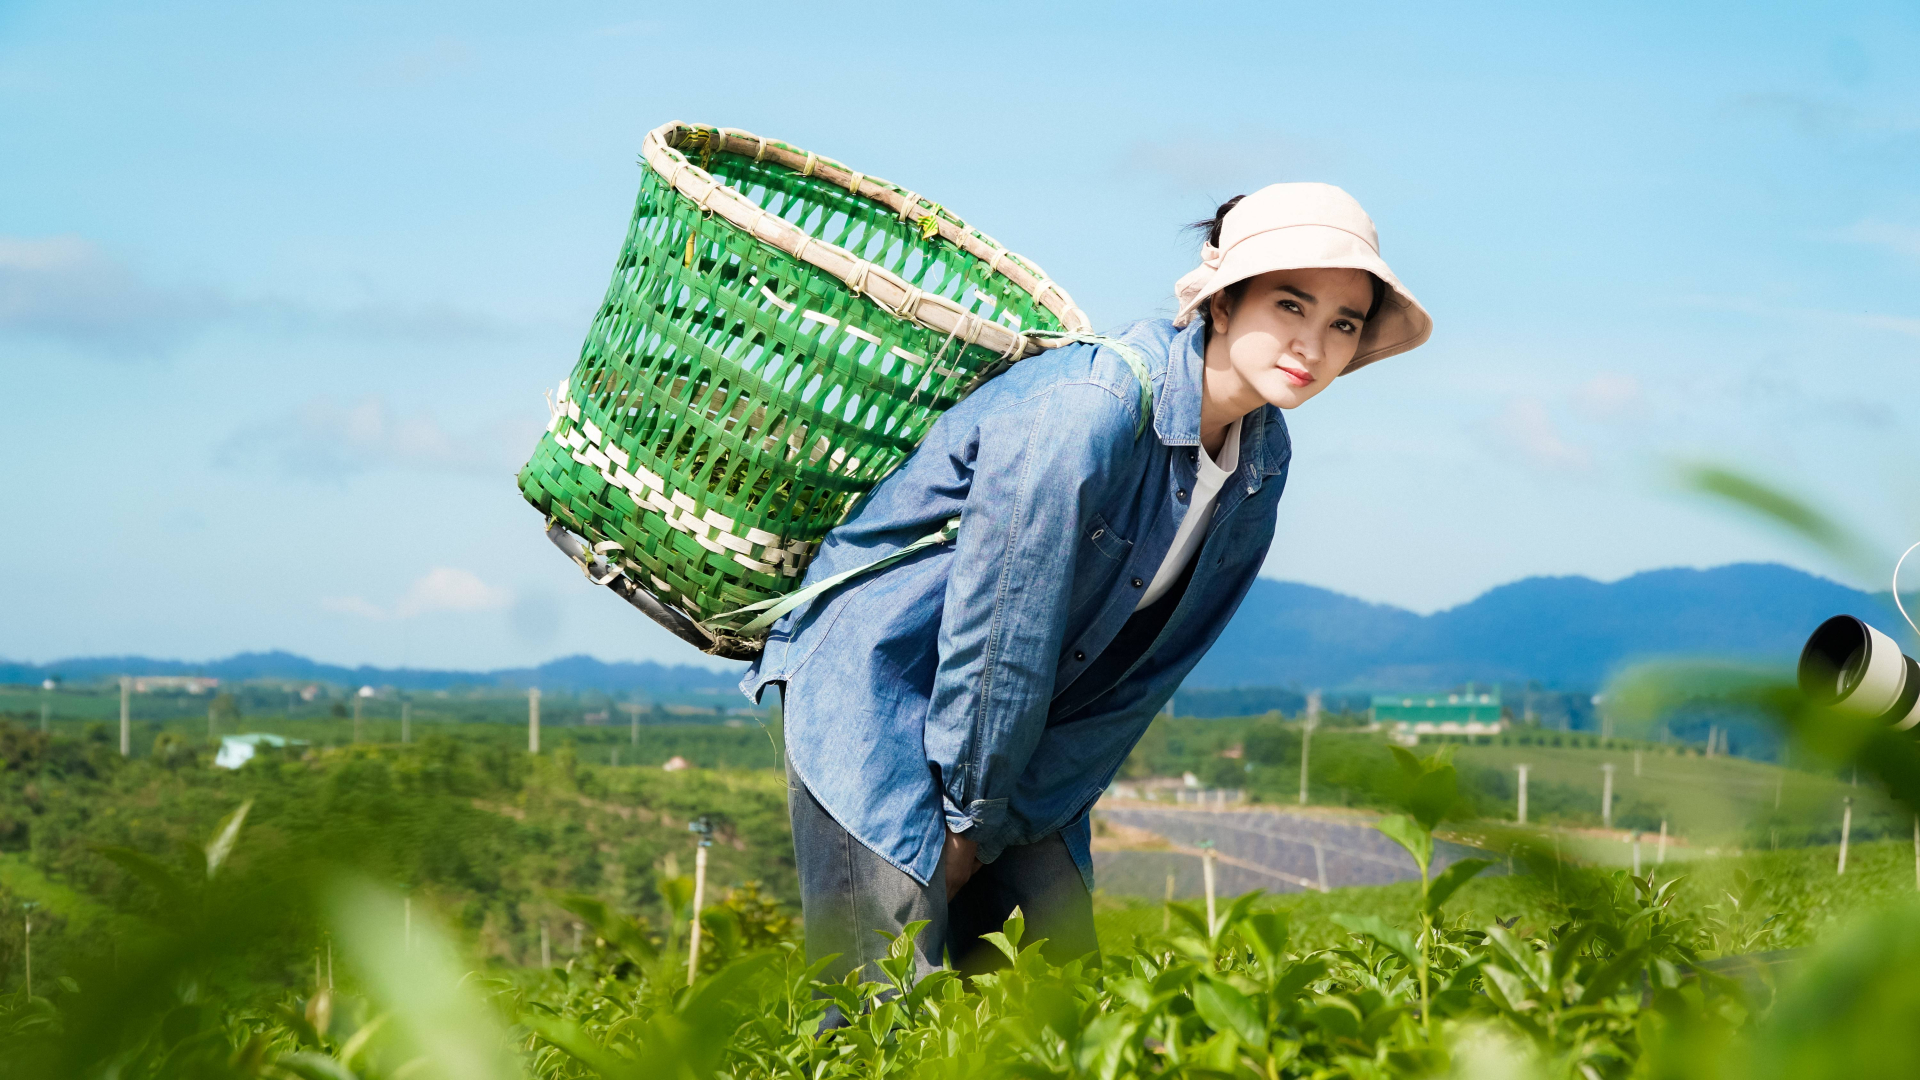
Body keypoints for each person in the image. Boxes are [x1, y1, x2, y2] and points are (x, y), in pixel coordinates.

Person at [742, 182, 1432, 984]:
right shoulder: (1089, 409)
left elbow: (1143, 674)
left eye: (1342, 323)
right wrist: (966, 823)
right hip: (879, 686)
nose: (1312, 344)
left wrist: (1012, 814)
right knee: (884, 996)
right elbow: (1003, 629)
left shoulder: (1261, 462)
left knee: (1057, 987)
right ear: (1222, 303)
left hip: (1012, 732)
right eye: (1289, 305)